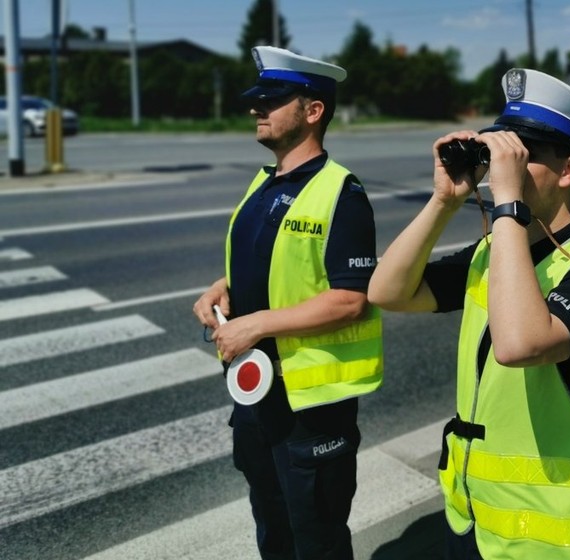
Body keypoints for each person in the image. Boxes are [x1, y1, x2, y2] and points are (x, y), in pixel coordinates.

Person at [368, 68, 570, 560]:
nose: (504, 173)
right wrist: (443, 201)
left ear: (569, 170)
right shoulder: (495, 253)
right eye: (498, 156)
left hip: (556, 542)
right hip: (478, 522)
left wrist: (509, 205)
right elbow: (388, 291)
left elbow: (519, 345)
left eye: (522, 157)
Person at [192, 46, 382, 560]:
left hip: (311, 408)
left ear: (313, 110)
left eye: (272, 100)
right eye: (257, 100)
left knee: (316, 538)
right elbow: (270, 261)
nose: (257, 109)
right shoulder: (265, 181)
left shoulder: (341, 192)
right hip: (258, 399)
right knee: (273, 531)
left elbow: (350, 300)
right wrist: (223, 287)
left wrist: (253, 326)